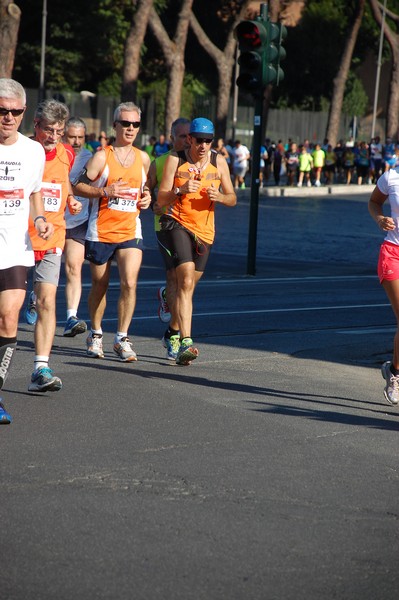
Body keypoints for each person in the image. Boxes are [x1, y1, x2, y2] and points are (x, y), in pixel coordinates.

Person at [72, 101, 151, 362]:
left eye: (135, 124)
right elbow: (77, 186)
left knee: (130, 282)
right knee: (100, 284)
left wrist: (147, 199)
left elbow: (144, 189)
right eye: (125, 123)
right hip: (101, 230)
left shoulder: (143, 158)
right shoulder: (102, 156)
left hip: (130, 229)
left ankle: (121, 338)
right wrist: (104, 191)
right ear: (115, 125)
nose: (130, 128)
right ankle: (96, 334)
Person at [155, 117, 236, 365]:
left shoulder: (218, 161)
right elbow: (161, 198)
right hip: (176, 223)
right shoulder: (175, 159)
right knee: (186, 279)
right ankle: (186, 341)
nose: (203, 146)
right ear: (189, 139)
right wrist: (180, 190)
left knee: (186, 288)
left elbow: (233, 197)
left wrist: (221, 197)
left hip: (205, 231)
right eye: (199, 140)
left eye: (208, 141)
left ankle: (171, 331)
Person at [0, 78, 53, 423]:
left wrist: (40, 218)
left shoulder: (33, 151)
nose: (8, 117)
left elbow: (34, 191)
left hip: (15, 248)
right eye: (2, 111)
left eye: (15, 112)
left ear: (24, 114)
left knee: (9, 315)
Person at [26, 99, 82, 393]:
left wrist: (70, 199)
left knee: (47, 301)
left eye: (59, 131)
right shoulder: (23, 152)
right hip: (17, 240)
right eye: (48, 130)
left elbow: (63, 183)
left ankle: (41, 367)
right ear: (36, 126)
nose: (53, 136)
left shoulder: (66, 153)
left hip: (53, 237)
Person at [147, 118, 190, 360]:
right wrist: (150, 200)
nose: (187, 140)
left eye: (189, 136)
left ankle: (171, 328)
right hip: (166, 224)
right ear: (172, 138)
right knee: (176, 278)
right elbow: (147, 188)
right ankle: (177, 338)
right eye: (182, 136)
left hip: (192, 227)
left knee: (186, 286)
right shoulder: (161, 162)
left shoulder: (200, 162)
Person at [368, 168, 399, 406]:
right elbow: (374, 202)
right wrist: (380, 219)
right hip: (393, 253)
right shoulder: (391, 176)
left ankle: (393, 369)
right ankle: (396, 377)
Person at [63, 116, 93, 337]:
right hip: (51, 219)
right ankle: (35, 300)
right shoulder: (51, 155)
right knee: (47, 270)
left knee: (74, 267)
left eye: (80, 137)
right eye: (71, 136)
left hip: (79, 221)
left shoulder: (89, 158)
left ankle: (71, 317)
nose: (75, 141)